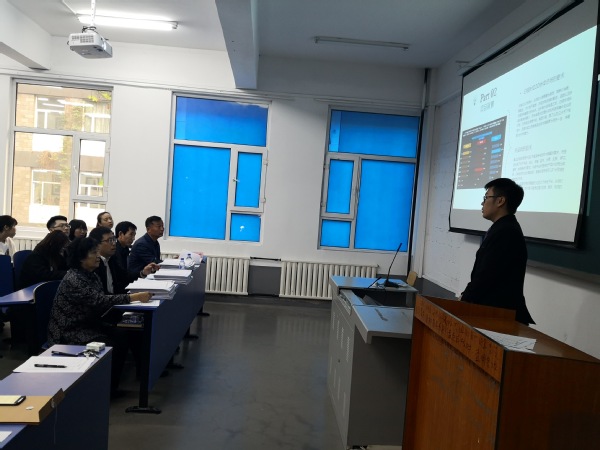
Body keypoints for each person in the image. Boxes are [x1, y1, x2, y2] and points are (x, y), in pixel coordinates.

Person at [47, 237, 153, 393]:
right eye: (93, 253)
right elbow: (99, 300)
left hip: (89, 324)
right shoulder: (74, 279)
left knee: (125, 333)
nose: (98, 256)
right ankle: (104, 391)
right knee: (112, 343)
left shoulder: (91, 274)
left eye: (97, 252)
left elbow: (103, 298)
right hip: (70, 330)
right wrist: (133, 297)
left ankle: (113, 386)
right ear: (81, 258)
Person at [460, 178, 534, 325]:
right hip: (492, 311)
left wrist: (465, 298)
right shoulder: (502, 228)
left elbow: (486, 274)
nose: (482, 203)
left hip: (498, 315)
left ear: (500, 201)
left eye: (486, 197)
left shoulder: (506, 232)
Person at [89, 226, 158, 295]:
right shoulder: (94, 265)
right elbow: (100, 295)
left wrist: (143, 272)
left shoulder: (111, 259)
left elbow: (125, 277)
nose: (114, 243)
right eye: (110, 240)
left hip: (116, 297)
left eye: (114, 239)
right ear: (97, 244)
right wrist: (130, 298)